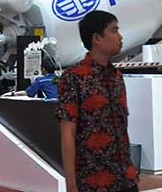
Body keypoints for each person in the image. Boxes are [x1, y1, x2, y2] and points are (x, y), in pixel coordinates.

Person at [57, 10, 139, 192]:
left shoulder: (117, 77)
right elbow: (68, 134)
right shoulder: (74, 77)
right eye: (114, 30)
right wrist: (71, 184)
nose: (120, 36)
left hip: (125, 178)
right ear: (97, 38)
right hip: (92, 182)